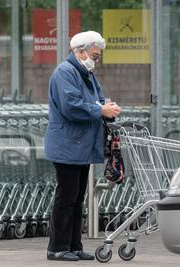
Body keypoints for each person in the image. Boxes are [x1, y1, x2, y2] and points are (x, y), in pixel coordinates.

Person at [44, 31, 122, 261]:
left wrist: (107, 108)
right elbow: (71, 106)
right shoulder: (64, 73)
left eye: (97, 56)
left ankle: (73, 245)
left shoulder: (86, 73)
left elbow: (95, 100)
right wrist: (100, 110)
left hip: (79, 145)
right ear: (80, 52)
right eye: (94, 56)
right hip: (67, 144)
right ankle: (57, 247)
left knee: (77, 198)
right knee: (67, 196)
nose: (95, 60)